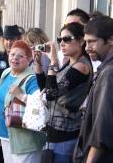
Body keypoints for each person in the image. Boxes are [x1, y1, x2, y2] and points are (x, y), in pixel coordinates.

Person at [34, 22, 92, 162]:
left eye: (67, 39)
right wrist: (38, 63)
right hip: (53, 132)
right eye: (60, 40)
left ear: (81, 41)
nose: (62, 43)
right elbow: (45, 89)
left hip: (66, 134)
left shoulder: (81, 66)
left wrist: (53, 60)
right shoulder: (69, 63)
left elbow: (51, 94)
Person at [0, 40, 45, 163]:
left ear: (28, 60)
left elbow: (41, 103)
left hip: (25, 139)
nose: (15, 58)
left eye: (20, 56)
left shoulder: (31, 78)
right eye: (12, 54)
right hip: (5, 134)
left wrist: (20, 95)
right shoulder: (6, 72)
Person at [73, 16, 113, 162]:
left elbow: (102, 126)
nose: (87, 47)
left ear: (110, 40)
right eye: (86, 42)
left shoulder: (108, 73)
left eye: (92, 42)